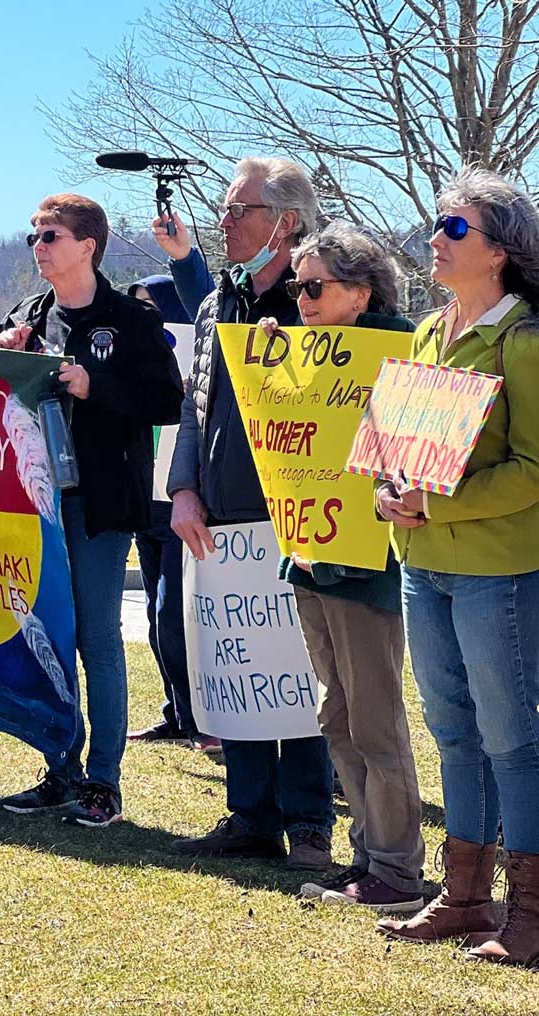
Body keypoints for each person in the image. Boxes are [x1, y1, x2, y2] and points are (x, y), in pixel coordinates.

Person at [374, 168, 539, 968]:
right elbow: (394, 449)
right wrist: (386, 492)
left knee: (513, 740)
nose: (433, 240)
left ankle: (530, 915)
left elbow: (537, 470)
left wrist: (435, 506)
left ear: (501, 251)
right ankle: (466, 899)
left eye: (454, 229)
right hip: (422, 565)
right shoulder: (426, 333)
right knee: (453, 734)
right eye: (436, 225)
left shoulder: (527, 341)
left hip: (498, 573)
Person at [244, 224, 425, 913]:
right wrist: (267, 369)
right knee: (337, 716)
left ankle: (398, 871)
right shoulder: (304, 355)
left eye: (314, 286)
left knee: (375, 722)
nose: (302, 298)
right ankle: (370, 855)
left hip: (366, 565)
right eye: (296, 285)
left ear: (361, 290)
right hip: (312, 560)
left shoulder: (402, 353)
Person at [167, 158, 337, 870]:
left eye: (240, 210)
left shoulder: (321, 302)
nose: (225, 222)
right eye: (227, 209)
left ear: (287, 222)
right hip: (221, 518)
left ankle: (308, 821)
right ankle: (250, 816)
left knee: (295, 671)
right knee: (237, 665)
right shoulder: (215, 305)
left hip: (298, 517)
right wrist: (183, 487)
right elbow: (193, 404)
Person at [0, 193, 184, 827]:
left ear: (87, 246)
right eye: (35, 237)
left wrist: (94, 386)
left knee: (96, 637)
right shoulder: (28, 314)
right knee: (49, 634)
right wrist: (5, 359)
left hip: (101, 500)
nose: (39, 247)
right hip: (34, 500)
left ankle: (103, 780)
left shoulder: (131, 318)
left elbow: (166, 400)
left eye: (50, 236)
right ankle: (61, 768)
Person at [125, 266, 220, 755]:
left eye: (153, 307)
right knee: (158, 618)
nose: (146, 316)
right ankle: (177, 715)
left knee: (174, 617)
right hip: (147, 501)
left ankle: (205, 719)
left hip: (184, 502)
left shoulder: (203, 360)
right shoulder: (138, 356)